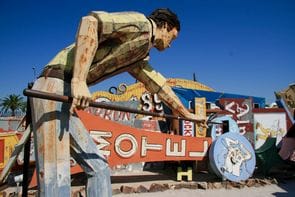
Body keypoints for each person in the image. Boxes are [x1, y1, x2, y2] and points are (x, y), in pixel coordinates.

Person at [30, 8, 206, 196]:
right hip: (54, 85)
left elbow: (159, 86)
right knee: (55, 175)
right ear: (164, 26)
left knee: (99, 168)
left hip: (64, 92)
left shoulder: (139, 54)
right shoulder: (140, 24)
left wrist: (187, 115)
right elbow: (91, 22)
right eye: (173, 37)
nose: (171, 44)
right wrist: (79, 80)